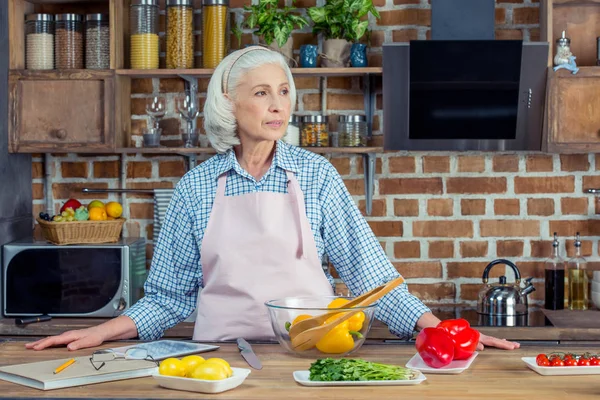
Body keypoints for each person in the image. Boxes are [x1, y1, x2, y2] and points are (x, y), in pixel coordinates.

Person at [26, 47, 519, 352]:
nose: (278, 103)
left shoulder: (316, 175)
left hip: (311, 358)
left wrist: (442, 331)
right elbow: (166, 299)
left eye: (283, 91)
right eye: (261, 92)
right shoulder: (196, 187)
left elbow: (373, 280)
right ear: (228, 103)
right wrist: (104, 332)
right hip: (218, 360)